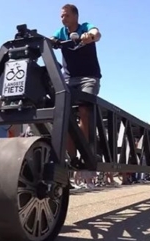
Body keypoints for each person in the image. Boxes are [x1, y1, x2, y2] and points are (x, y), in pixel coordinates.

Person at [52, 4, 102, 188]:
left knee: (84, 109)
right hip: (69, 78)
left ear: (75, 16)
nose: (62, 18)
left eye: (65, 15)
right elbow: (52, 40)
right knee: (64, 117)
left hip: (89, 77)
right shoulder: (61, 32)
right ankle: (73, 159)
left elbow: (97, 33)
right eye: (61, 16)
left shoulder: (85, 27)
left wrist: (90, 36)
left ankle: (86, 151)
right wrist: (50, 41)